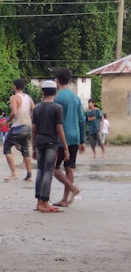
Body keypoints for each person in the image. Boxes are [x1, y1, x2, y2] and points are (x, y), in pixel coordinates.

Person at [31, 81, 69, 213]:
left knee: (40, 172)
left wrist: (33, 147)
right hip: (51, 143)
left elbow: (34, 129)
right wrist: (65, 147)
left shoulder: (36, 108)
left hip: (39, 142)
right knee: (48, 172)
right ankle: (45, 202)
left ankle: (39, 202)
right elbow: (59, 128)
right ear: (55, 91)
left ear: (43, 92)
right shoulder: (57, 108)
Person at [52, 68, 84, 207]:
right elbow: (82, 120)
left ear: (56, 80)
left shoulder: (58, 98)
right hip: (76, 136)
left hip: (62, 138)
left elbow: (56, 121)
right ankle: (65, 200)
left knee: (54, 168)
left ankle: (72, 188)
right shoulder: (76, 98)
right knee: (69, 167)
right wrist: (82, 140)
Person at [3, 78, 34, 181]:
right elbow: (34, 111)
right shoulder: (28, 98)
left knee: (7, 147)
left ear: (14, 86)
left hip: (18, 126)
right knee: (25, 149)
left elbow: (14, 112)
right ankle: (29, 175)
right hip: (28, 126)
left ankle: (13, 173)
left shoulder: (14, 97)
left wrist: (7, 121)